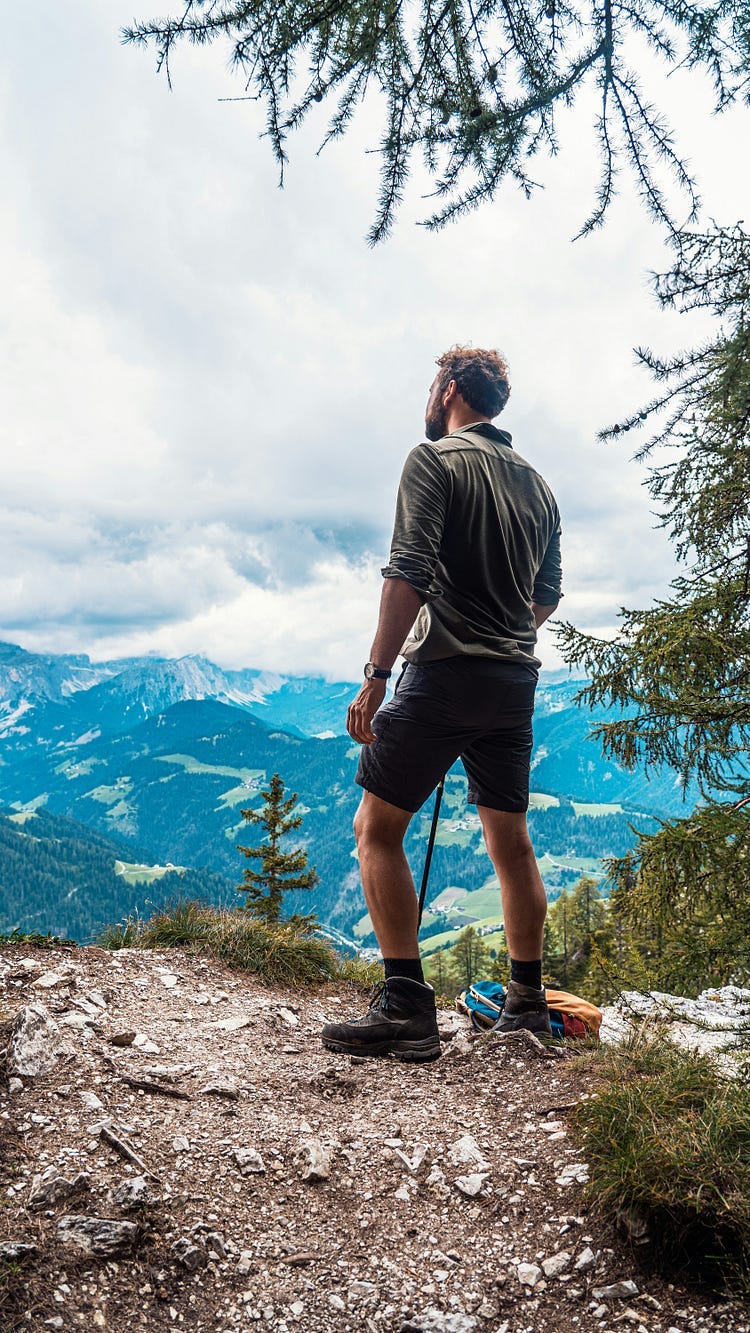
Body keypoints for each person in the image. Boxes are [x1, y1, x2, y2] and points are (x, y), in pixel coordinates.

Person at [321, 346, 563, 1062]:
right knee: (510, 841)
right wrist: (505, 628)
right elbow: (546, 596)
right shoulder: (541, 487)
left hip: (444, 674)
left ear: (451, 389)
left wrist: (375, 673)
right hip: (513, 681)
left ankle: (405, 1007)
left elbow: (408, 572)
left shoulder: (434, 461)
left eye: (434, 385)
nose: (429, 398)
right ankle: (527, 1003)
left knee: (376, 828)